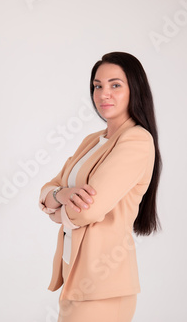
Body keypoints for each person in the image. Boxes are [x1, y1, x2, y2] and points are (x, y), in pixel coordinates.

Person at [38, 51, 162, 322]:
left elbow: (86, 212)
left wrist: (55, 210)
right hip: (75, 278)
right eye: (98, 86)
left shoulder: (136, 141)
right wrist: (63, 194)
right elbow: (49, 187)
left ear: (135, 89)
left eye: (115, 85)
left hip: (103, 285)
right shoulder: (92, 140)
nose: (104, 93)